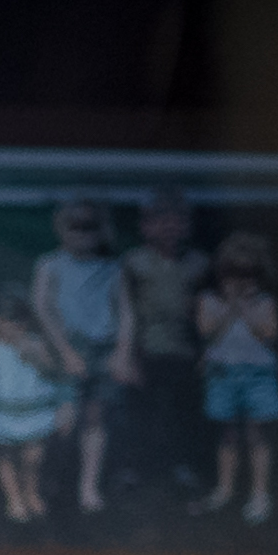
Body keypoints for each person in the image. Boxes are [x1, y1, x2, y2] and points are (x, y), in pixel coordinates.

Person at [30, 196, 133, 517]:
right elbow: (41, 308)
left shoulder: (112, 269)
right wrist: (65, 352)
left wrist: (122, 353)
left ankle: (88, 487)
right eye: (75, 226)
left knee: (95, 417)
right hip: (66, 347)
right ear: (61, 228)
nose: (82, 233)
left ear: (101, 230)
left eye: (90, 227)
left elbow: (126, 313)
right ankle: (49, 479)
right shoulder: (49, 264)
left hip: (103, 347)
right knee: (60, 420)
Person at [121, 185, 211, 492]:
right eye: (160, 219)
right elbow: (127, 312)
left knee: (183, 414)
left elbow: (204, 312)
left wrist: (205, 351)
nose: (170, 226)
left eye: (178, 219)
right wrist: (129, 356)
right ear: (146, 225)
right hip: (147, 349)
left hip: (184, 351)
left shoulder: (199, 264)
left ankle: (182, 467)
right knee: (141, 414)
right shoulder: (134, 262)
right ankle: (135, 468)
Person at [195, 229, 278, 525]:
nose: (241, 282)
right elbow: (207, 332)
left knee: (257, 434)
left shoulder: (265, 302)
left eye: (248, 275)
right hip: (222, 374)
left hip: (258, 375)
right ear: (221, 273)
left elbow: (269, 334)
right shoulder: (209, 300)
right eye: (233, 275)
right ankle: (225, 489)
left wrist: (246, 309)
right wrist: (230, 307)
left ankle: (260, 493)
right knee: (228, 433)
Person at [0, 292, 71, 525]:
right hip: (3, 409)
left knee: (33, 456)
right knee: (6, 454)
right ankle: (14, 497)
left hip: (33, 409)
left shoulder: (36, 342)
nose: (12, 327)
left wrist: (36, 357)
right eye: (5, 321)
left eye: (17, 322)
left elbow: (55, 372)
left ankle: (31, 490)